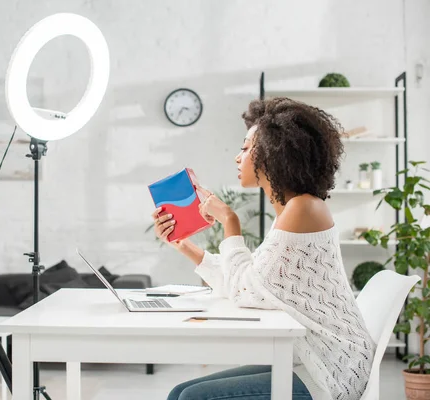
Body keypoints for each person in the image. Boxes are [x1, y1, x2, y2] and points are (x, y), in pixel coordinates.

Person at [152, 98, 374, 400]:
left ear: (273, 153)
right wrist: (185, 246)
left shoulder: (304, 209)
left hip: (329, 370)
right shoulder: (292, 210)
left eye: (245, 149)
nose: (236, 158)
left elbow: (246, 292)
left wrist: (230, 220)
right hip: (308, 360)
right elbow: (248, 282)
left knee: (193, 397)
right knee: (181, 391)